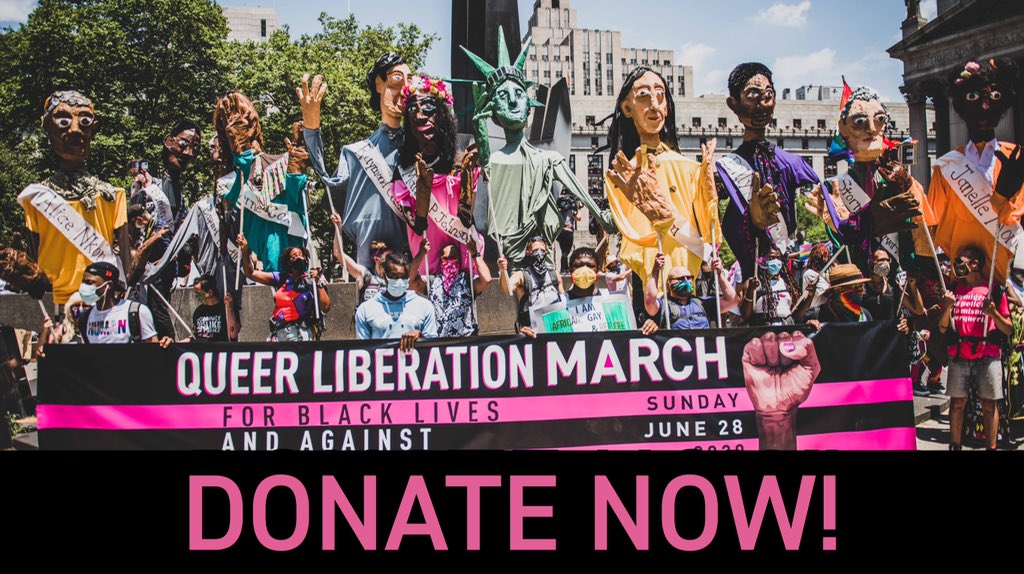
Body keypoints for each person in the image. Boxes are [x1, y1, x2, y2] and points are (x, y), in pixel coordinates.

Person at [459, 27, 614, 270]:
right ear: (493, 112)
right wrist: (479, 120)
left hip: (542, 259)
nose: (512, 100)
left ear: (529, 105)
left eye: (519, 93)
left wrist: (602, 217)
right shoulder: (495, 161)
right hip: (508, 261)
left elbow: (580, 192)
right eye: (502, 95)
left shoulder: (549, 159)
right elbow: (487, 163)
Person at [605, 66, 718, 290]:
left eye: (660, 95)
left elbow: (710, 233)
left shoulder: (689, 168)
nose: (654, 105)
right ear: (627, 108)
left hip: (687, 277)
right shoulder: (622, 174)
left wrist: (710, 192)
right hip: (647, 280)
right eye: (644, 96)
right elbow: (629, 232)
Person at [17, 91, 130, 308]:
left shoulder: (113, 196)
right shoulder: (36, 198)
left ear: (93, 129)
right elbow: (33, 258)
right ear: (47, 128)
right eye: (63, 121)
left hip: (100, 305)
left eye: (84, 121)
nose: (75, 129)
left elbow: (126, 263)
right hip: (53, 305)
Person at [299, 55, 413, 268]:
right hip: (367, 253)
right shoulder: (354, 153)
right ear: (379, 84)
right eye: (397, 80)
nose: (405, 89)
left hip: (411, 257)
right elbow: (329, 180)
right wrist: (311, 126)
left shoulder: (418, 149)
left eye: (410, 81)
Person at [811, 83, 933, 276]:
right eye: (859, 121)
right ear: (843, 129)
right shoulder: (831, 187)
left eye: (879, 119)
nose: (870, 129)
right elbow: (840, 239)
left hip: (901, 282)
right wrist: (871, 218)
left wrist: (906, 187)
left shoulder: (903, 180)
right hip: (857, 280)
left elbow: (924, 232)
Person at [715, 63, 820, 278]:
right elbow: (724, 225)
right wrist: (750, 219)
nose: (762, 102)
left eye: (768, 94)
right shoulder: (728, 167)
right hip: (750, 277)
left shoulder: (792, 163)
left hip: (784, 271)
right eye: (752, 94)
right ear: (733, 104)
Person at [930, 58, 1023, 289]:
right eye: (973, 98)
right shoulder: (946, 166)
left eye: (993, 98)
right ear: (961, 105)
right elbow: (932, 224)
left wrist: (1003, 197)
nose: (984, 107)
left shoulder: (1016, 158)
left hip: (1007, 280)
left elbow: (1016, 219)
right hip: (963, 281)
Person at [389, 74, 483, 278]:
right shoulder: (404, 171)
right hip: (426, 258)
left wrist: (467, 183)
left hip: (461, 251)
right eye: (413, 109)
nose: (420, 115)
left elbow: (466, 217)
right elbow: (416, 223)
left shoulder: (461, 162)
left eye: (428, 107)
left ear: (442, 114)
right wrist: (421, 202)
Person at [938, 246, 1012, 450]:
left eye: (961, 261)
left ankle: (992, 447)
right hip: (959, 354)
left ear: (975, 264)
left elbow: (1008, 329)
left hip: (988, 354)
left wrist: (994, 314)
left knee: (990, 404)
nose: (957, 266)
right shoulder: (953, 290)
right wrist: (947, 307)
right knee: (957, 403)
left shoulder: (993, 290)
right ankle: (954, 445)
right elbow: (943, 328)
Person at [237, 234, 331, 341]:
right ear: (288, 262)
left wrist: (318, 282)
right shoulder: (281, 278)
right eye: (294, 256)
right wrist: (245, 251)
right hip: (279, 332)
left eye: (301, 255)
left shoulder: (312, 280)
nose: (298, 257)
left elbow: (326, 307)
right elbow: (251, 274)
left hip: (302, 332)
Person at [355, 251, 436, 352]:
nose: (399, 281)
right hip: (381, 366)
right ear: (384, 276)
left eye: (403, 277)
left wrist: (420, 336)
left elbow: (434, 347)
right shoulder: (365, 310)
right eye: (394, 276)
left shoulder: (425, 306)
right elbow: (362, 350)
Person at [128, 121, 202, 231]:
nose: (189, 153)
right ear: (169, 141)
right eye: (183, 144)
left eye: (195, 148)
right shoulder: (146, 192)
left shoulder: (182, 204)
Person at [74, 262, 171, 346]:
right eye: (83, 282)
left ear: (109, 285)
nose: (84, 286)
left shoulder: (137, 312)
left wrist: (165, 345)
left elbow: (153, 351)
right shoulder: (85, 318)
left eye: (89, 282)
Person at [413, 239, 492, 337]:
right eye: (445, 259)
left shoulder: (467, 280)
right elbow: (411, 282)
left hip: (466, 342)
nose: (449, 261)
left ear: (459, 260)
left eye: (453, 258)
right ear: (440, 260)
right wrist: (421, 253)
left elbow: (487, 279)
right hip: (440, 343)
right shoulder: (432, 282)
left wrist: (475, 254)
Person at [644, 252, 739, 329]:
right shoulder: (663, 306)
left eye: (689, 278)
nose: (686, 281)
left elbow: (732, 300)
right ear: (669, 283)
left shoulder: (703, 304)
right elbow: (649, 301)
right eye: (680, 278)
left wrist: (720, 274)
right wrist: (655, 271)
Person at [498, 236, 565, 335]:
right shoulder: (521, 276)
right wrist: (502, 271)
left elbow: (564, 302)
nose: (539, 253)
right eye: (535, 250)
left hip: (555, 328)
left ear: (546, 252)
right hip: (532, 331)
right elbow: (506, 289)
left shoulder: (555, 275)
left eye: (542, 250)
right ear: (528, 252)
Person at [331, 213, 389, 306]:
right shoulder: (364, 274)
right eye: (387, 257)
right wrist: (339, 228)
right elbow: (338, 253)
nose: (391, 260)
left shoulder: (394, 278)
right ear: (377, 259)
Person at [741, 246, 800, 326]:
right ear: (763, 260)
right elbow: (745, 315)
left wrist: (810, 295)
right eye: (771, 258)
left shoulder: (787, 283)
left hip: (785, 331)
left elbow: (796, 313)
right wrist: (750, 290)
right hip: (763, 331)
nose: (775, 261)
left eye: (778, 258)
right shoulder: (753, 282)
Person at [190, 274, 238, 342]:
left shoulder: (226, 309)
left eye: (198, 293)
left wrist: (230, 309)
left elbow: (233, 334)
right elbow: (194, 336)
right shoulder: (198, 311)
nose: (196, 296)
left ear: (210, 292)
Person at [556, 190, 582, 274]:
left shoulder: (560, 209)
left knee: (563, 250)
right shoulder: (571, 210)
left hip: (560, 232)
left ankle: (565, 268)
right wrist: (579, 209)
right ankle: (563, 269)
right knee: (566, 252)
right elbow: (579, 218)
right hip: (568, 231)